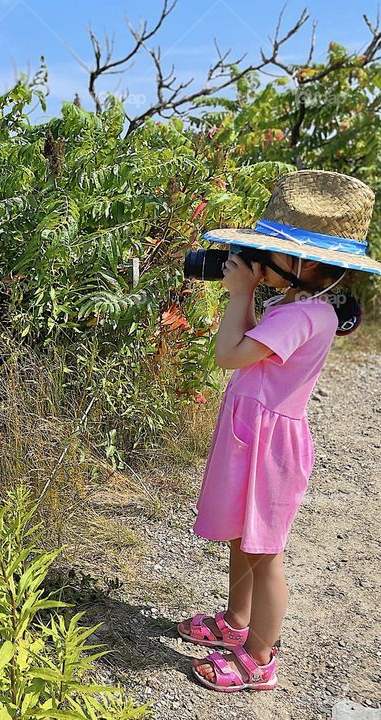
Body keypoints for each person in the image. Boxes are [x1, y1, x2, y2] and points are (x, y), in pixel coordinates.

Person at [175, 170, 381, 692]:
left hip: (269, 445)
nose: (258, 263)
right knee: (244, 538)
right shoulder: (295, 304)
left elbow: (228, 353)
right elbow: (246, 341)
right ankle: (236, 622)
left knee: (265, 552)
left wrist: (238, 292)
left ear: (304, 263)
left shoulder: (303, 315)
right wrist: (249, 293)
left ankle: (260, 657)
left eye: (268, 254)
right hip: (254, 432)